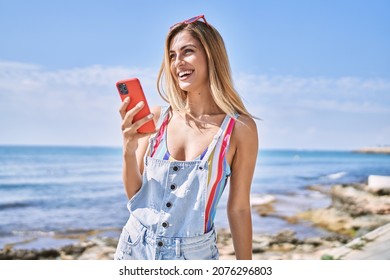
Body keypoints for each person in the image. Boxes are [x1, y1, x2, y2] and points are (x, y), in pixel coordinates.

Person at [115, 15, 258, 260]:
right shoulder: (158, 118)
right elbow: (136, 196)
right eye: (172, 55)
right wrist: (128, 149)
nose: (178, 62)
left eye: (187, 51)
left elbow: (239, 208)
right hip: (134, 249)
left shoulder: (239, 128)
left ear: (212, 56)